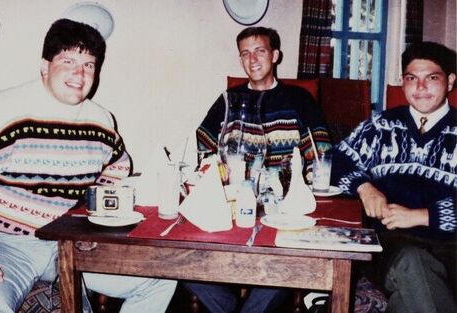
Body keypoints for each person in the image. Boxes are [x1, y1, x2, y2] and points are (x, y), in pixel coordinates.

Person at [0, 19, 176, 313]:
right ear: (45, 66)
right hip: (9, 246)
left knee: (161, 278)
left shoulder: (102, 122)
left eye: (89, 65)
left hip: (73, 244)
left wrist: (92, 220)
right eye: (68, 60)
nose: (79, 73)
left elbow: (117, 168)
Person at [185, 26, 332, 313]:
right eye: (245, 53)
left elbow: (321, 155)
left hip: (282, 212)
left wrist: (293, 185)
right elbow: (201, 149)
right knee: (179, 256)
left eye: (260, 51)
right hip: (230, 210)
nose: (252, 59)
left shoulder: (299, 100)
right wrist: (209, 174)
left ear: (275, 55)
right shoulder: (228, 100)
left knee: (285, 263)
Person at [331, 41, 456, 312]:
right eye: (412, 79)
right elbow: (335, 162)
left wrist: (423, 216)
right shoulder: (381, 125)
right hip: (391, 247)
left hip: (452, 250)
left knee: (410, 294)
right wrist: (364, 187)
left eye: (431, 78)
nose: (420, 88)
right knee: (411, 261)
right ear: (402, 82)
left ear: (450, 81)